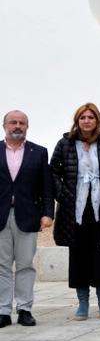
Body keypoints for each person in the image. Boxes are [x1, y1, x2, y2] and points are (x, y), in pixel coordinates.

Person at [51, 103, 100, 320]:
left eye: (91, 117)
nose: (87, 121)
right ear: (77, 121)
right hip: (75, 207)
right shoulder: (65, 143)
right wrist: (64, 194)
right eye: (83, 118)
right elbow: (54, 173)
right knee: (78, 255)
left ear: (97, 120)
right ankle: (82, 302)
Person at [0, 110, 54, 327]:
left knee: (25, 265)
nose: (17, 126)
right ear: (5, 126)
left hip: (27, 216)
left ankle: (24, 309)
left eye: (22, 123)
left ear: (27, 127)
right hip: (1, 216)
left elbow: (46, 186)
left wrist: (48, 213)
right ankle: (3, 310)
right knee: (2, 266)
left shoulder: (38, 152)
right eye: (13, 122)